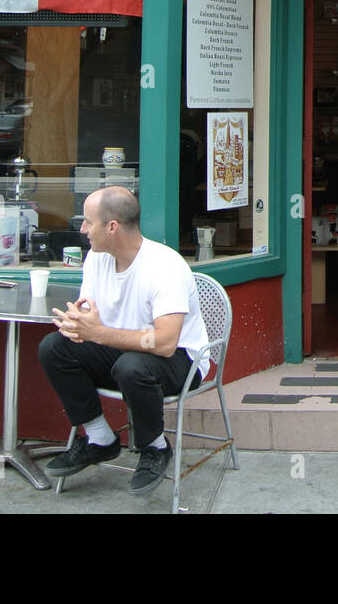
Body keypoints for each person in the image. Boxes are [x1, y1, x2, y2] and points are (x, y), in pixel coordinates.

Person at [38, 186, 210, 495]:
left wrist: (98, 333)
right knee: (53, 348)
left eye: (88, 222)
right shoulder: (96, 258)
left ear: (112, 226)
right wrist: (76, 325)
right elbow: (91, 315)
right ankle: (99, 438)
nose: (82, 229)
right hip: (121, 352)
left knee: (132, 367)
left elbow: (166, 343)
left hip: (182, 360)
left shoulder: (164, 267)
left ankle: (155, 447)